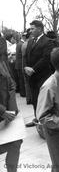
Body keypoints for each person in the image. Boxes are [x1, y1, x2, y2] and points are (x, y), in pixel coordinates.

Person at [24, 20, 57, 127]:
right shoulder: (30, 41)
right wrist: (26, 67)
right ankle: (37, 118)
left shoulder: (48, 42)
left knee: (44, 100)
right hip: (32, 76)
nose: (31, 31)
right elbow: (26, 57)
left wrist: (33, 69)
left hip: (43, 75)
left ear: (40, 29)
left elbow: (46, 58)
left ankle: (44, 121)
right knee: (34, 98)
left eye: (33, 28)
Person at [0, 36, 22, 172]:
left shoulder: (2, 62)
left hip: (7, 113)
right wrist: (2, 111)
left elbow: (11, 83)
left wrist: (12, 108)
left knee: (15, 142)